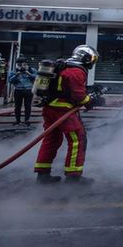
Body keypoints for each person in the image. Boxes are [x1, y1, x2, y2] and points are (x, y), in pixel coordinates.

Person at [33, 45, 102, 185]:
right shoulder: (77, 71)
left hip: (49, 109)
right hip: (63, 112)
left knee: (51, 139)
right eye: (92, 59)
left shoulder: (64, 66)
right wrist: (92, 100)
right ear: (86, 58)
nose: (93, 62)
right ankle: (73, 176)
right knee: (78, 140)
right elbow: (78, 97)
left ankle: (42, 174)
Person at [8, 56, 36, 126]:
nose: (21, 66)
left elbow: (37, 78)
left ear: (26, 64)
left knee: (28, 106)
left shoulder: (32, 70)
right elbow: (10, 80)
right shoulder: (14, 71)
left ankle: (27, 120)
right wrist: (16, 74)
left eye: (23, 64)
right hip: (18, 90)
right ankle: (17, 120)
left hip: (28, 90)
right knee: (17, 106)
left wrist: (28, 73)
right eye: (19, 65)